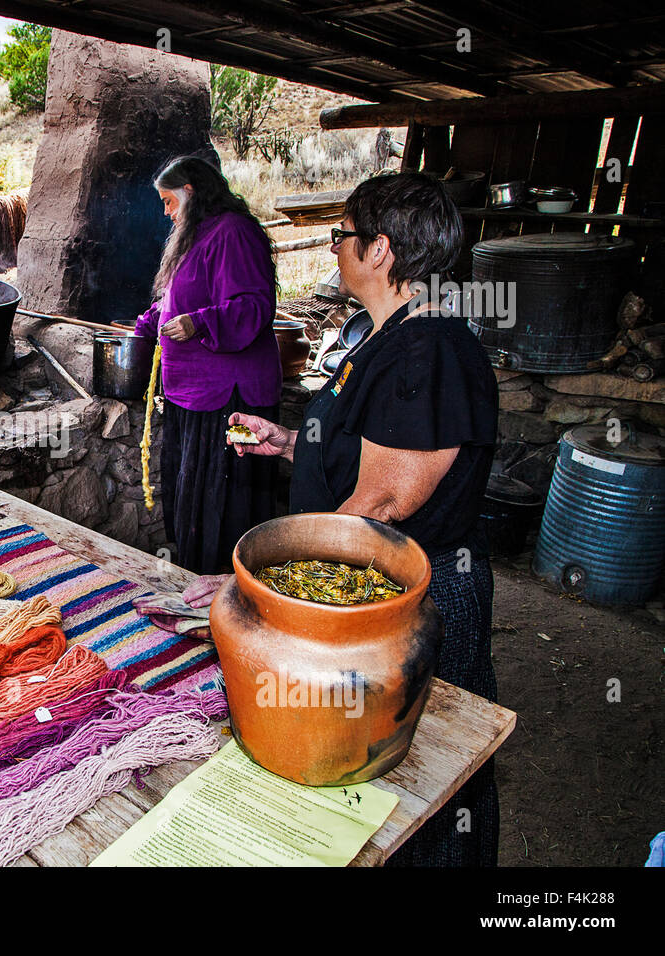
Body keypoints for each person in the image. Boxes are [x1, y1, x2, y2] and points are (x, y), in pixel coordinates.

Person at [194, 171, 501, 866]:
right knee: (369, 774)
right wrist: (290, 443)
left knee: (423, 780)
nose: (336, 249)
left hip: (405, 606)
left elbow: (380, 506)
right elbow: (369, 449)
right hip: (368, 602)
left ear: (381, 251)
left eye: (343, 237)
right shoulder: (386, 337)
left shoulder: (428, 350)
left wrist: (262, 590)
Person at [132, 156, 281, 575]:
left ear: (191, 191)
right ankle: (196, 582)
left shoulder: (234, 232)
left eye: (168, 201)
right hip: (193, 396)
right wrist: (144, 326)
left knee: (224, 500)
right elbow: (175, 301)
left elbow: (253, 307)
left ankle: (228, 589)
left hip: (228, 399)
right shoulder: (195, 235)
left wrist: (200, 323)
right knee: (193, 499)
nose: (165, 212)